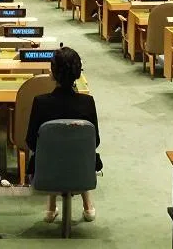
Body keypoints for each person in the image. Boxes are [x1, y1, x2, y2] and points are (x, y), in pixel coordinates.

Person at [26, 46, 100, 222]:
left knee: (50, 150)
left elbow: (31, 142)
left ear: (52, 73)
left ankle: (51, 206)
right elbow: (94, 142)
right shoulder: (87, 102)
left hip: (46, 169)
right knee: (78, 150)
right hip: (81, 168)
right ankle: (88, 205)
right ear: (77, 73)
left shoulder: (40, 102)